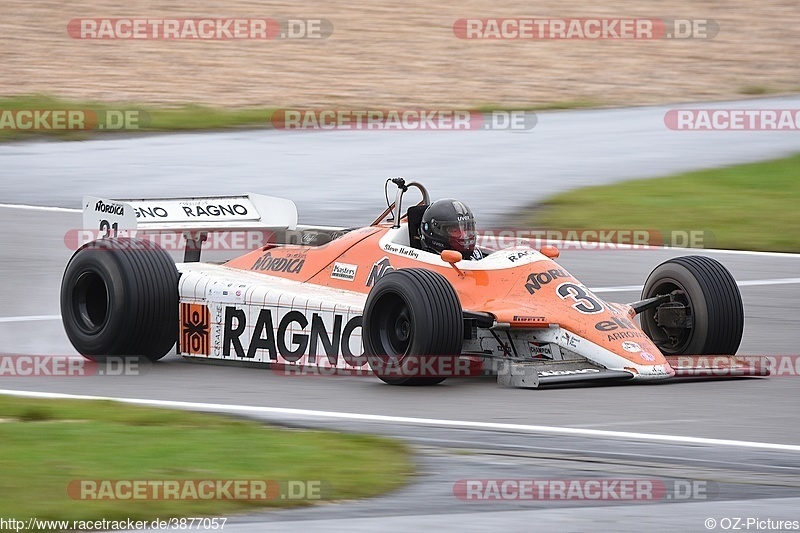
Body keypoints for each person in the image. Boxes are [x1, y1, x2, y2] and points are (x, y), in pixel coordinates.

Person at [419, 198, 483, 260]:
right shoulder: (423, 263)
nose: (465, 235)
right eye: (454, 231)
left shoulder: (478, 257)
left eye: (467, 228)